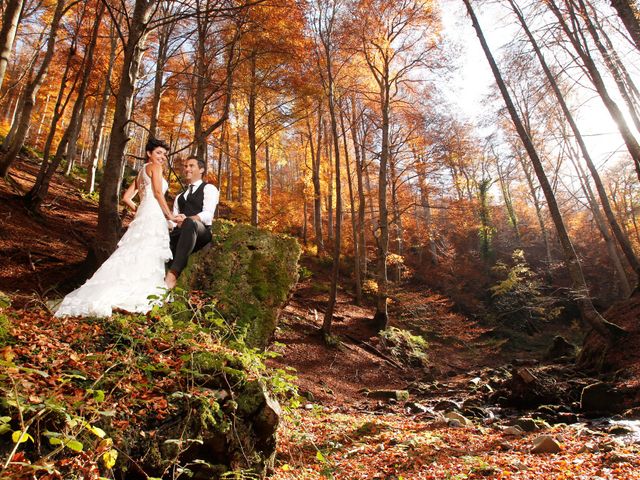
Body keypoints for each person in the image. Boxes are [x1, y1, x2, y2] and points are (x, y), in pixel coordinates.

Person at [55, 138, 178, 317]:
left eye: (165, 154)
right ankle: (139, 294)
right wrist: (170, 215)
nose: (162, 157)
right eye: (158, 153)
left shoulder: (141, 172)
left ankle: (116, 291)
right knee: (147, 252)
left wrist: (142, 208)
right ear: (149, 153)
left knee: (133, 252)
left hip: (145, 213)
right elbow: (158, 193)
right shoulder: (155, 168)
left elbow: (126, 198)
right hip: (153, 215)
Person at [164, 156, 219, 289]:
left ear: (201, 170)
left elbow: (208, 215)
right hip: (180, 232)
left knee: (190, 223)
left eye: (191, 166)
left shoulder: (209, 188)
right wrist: (169, 223)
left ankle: (173, 275)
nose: (187, 169)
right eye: (185, 166)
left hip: (201, 232)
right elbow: (174, 220)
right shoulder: (179, 197)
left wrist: (189, 219)